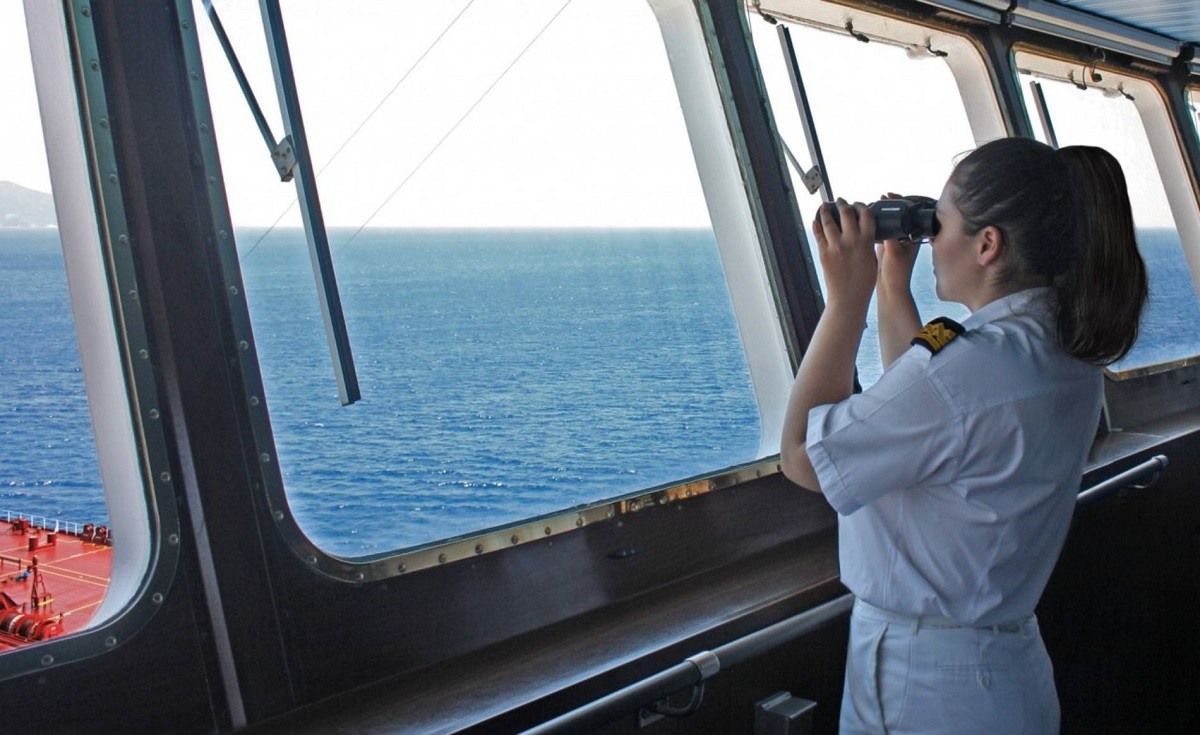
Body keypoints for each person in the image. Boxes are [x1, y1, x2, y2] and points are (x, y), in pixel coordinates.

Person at [779, 137, 1148, 734]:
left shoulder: (965, 368)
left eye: (940, 222)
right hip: (1001, 672)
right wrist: (892, 285)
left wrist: (846, 301)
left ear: (988, 244)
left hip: (928, 688)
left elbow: (801, 456)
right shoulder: (1063, 350)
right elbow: (922, 413)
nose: (931, 239)